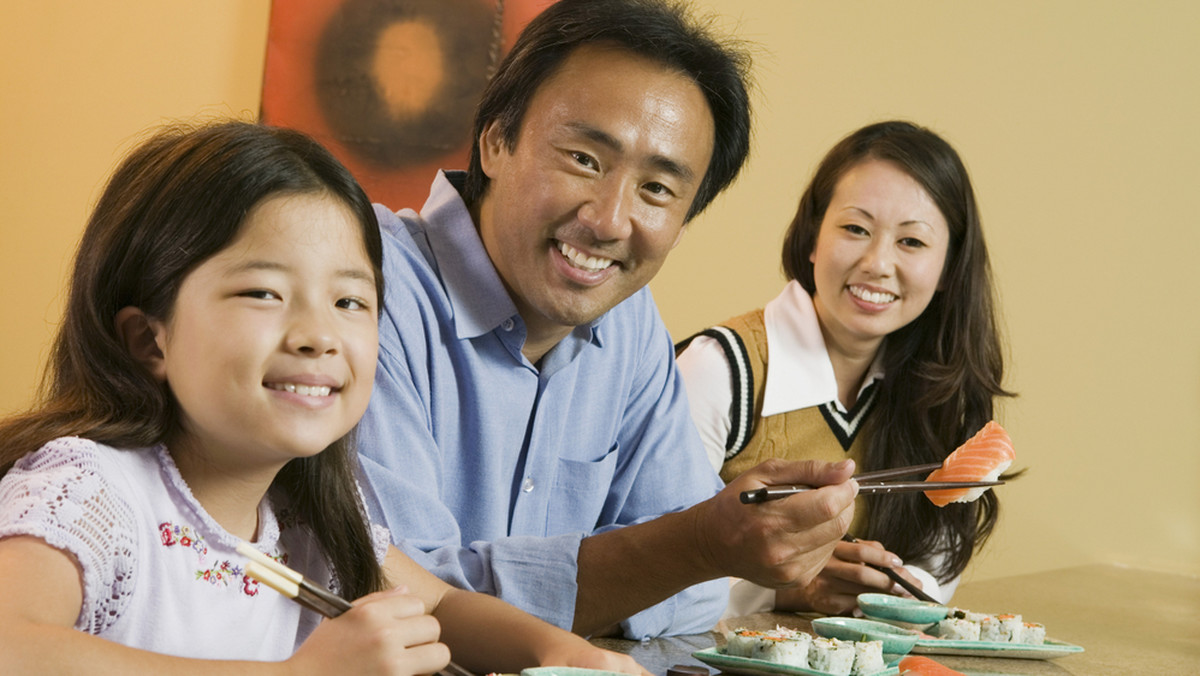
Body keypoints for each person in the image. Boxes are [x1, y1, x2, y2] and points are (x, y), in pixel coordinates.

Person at [0, 120, 646, 675]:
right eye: (263, 292)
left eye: (349, 301)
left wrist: (566, 655)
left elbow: (445, 608)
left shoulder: (309, 518)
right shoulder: (91, 493)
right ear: (149, 339)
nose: (318, 336)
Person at [357, 0, 859, 641]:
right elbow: (385, 590)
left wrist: (686, 556)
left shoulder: (626, 323)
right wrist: (687, 549)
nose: (609, 221)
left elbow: (701, 595)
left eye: (657, 189)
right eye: (584, 160)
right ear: (494, 141)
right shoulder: (362, 285)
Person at [676, 120, 1013, 617]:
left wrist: (888, 586)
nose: (877, 263)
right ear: (813, 239)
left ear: (948, 269)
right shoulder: (719, 370)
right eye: (856, 229)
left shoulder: (940, 391)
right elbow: (650, 570)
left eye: (911, 242)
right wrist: (784, 590)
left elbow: (935, 576)